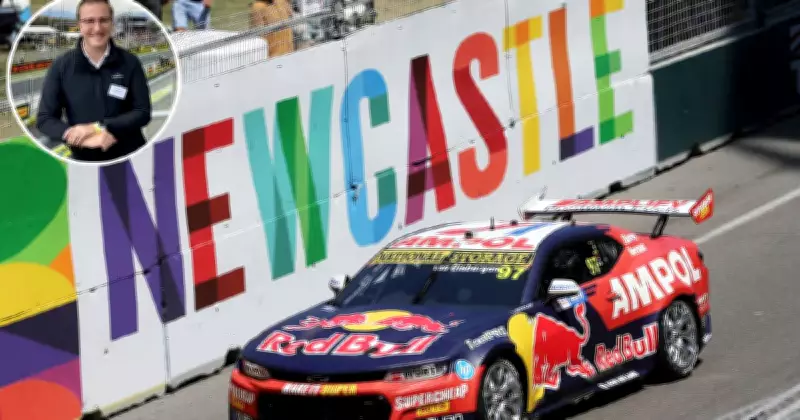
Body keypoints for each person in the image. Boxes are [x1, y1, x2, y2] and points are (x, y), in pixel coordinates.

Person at [36, 0, 152, 163]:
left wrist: (97, 127)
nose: (97, 28)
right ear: (79, 25)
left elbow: (142, 112)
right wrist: (80, 138)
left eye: (103, 20)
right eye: (89, 21)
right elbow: (45, 119)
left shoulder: (130, 62)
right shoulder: (61, 66)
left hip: (132, 156)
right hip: (85, 162)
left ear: (112, 24)